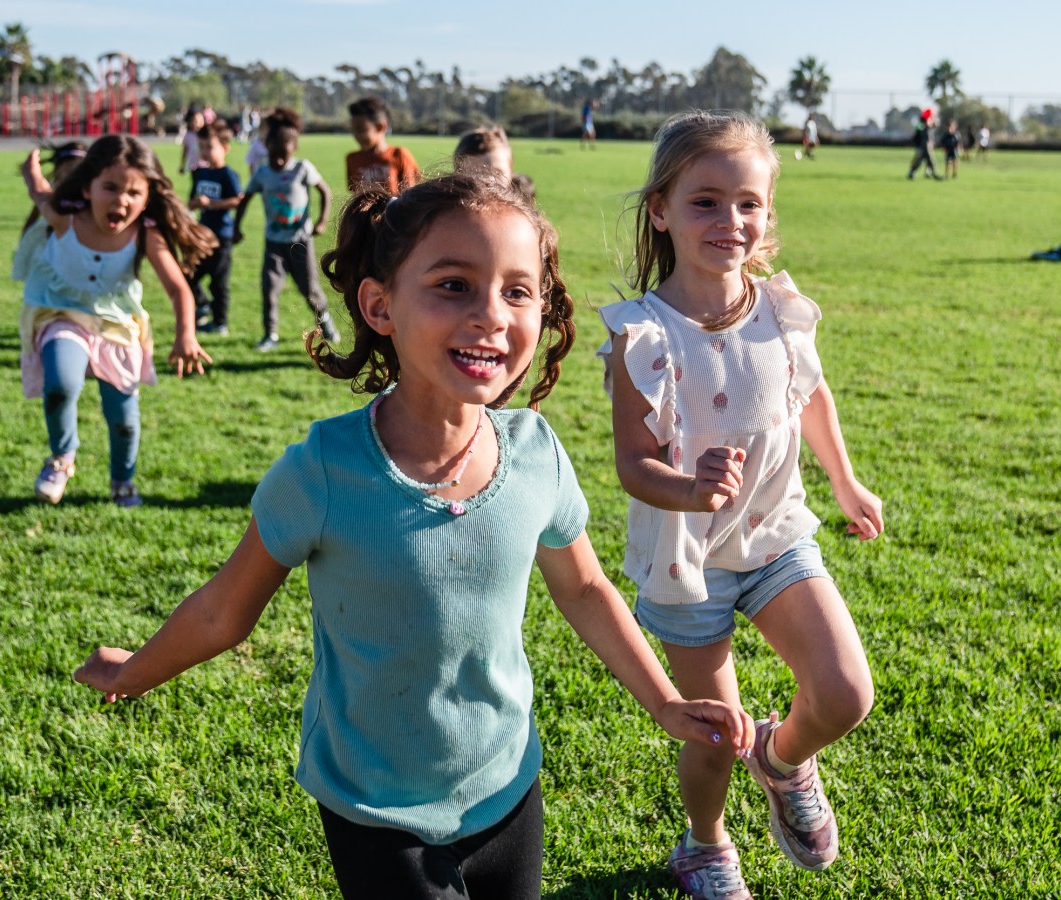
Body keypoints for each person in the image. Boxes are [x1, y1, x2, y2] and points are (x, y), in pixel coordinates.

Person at [74, 170, 756, 900]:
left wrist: (664, 703)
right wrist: (134, 670)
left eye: (517, 291)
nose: (491, 315)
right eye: (454, 286)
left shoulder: (535, 452)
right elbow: (223, 611)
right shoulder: (322, 471)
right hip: (375, 808)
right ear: (380, 306)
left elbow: (586, 589)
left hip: (507, 788)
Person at [596, 111, 883, 899]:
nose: (731, 220)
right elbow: (632, 464)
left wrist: (846, 482)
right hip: (688, 562)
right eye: (706, 202)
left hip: (776, 536)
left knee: (845, 693)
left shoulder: (780, 308)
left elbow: (809, 396)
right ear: (661, 209)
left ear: (768, 212)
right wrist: (688, 489)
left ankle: (782, 759)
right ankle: (705, 845)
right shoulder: (643, 335)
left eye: (748, 203)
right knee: (716, 734)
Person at [19, 135, 215, 507]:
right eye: (110, 187)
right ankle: (62, 457)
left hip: (117, 326)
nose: (121, 201)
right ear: (88, 187)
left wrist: (186, 336)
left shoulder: (146, 234)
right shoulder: (65, 217)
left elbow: (179, 290)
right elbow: (42, 195)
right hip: (62, 314)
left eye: (133, 193)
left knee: (123, 418)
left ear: (147, 197)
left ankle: (122, 480)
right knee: (61, 384)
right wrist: (32, 177)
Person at [235, 116, 339, 351]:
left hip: (300, 241)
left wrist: (321, 221)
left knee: (309, 288)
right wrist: (236, 227)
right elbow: (245, 199)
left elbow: (324, 191)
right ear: (267, 149)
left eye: (284, 155)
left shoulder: (302, 168)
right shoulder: (262, 173)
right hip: (274, 242)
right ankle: (270, 334)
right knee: (269, 288)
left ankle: (325, 322)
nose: (279, 160)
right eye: (274, 154)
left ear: (294, 150)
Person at [188, 121, 244, 335]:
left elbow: (237, 200)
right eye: (201, 147)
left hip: (222, 236)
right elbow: (192, 200)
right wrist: (194, 204)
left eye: (209, 147)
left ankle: (220, 324)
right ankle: (203, 304)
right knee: (188, 274)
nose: (204, 151)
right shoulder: (200, 173)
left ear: (225, 148)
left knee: (218, 283)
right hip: (202, 236)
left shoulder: (228, 175)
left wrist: (211, 203)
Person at [12, 141, 88, 281]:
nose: (71, 172)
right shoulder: (50, 191)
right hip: (49, 248)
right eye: (68, 167)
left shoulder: (91, 189)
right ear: (59, 168)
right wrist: (25, 240)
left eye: (77, 168)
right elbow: (34, 215)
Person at [346, 96, 421, 193]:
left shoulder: (399, 155)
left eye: (361, 130)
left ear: (380, 127)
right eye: (353, 130)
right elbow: (354, 192)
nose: (356, 135)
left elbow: (410, 194)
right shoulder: (352, 159)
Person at [453, 124, 536, 202]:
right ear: (458, 175)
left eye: (497, 173)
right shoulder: (449, 210)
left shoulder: (521, 211)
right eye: (476, 173)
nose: (488, 181)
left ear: (510, 173)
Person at [907, 108, 939, 179]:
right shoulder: (921, 125)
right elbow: (919, 131)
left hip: (927, 146)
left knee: (930, 160)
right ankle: (911, 172)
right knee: (919, 161)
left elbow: (935, 125)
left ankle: (931, 173)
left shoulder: (930, 125)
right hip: (921, 146)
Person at [178, 108, 206, 175]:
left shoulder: (206, 135)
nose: (197, 124)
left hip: (206, 166)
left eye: (200, 120)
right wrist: (183, 164)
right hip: (194, 167)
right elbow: (185, 151)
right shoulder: (188, 135)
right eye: (194, 121)